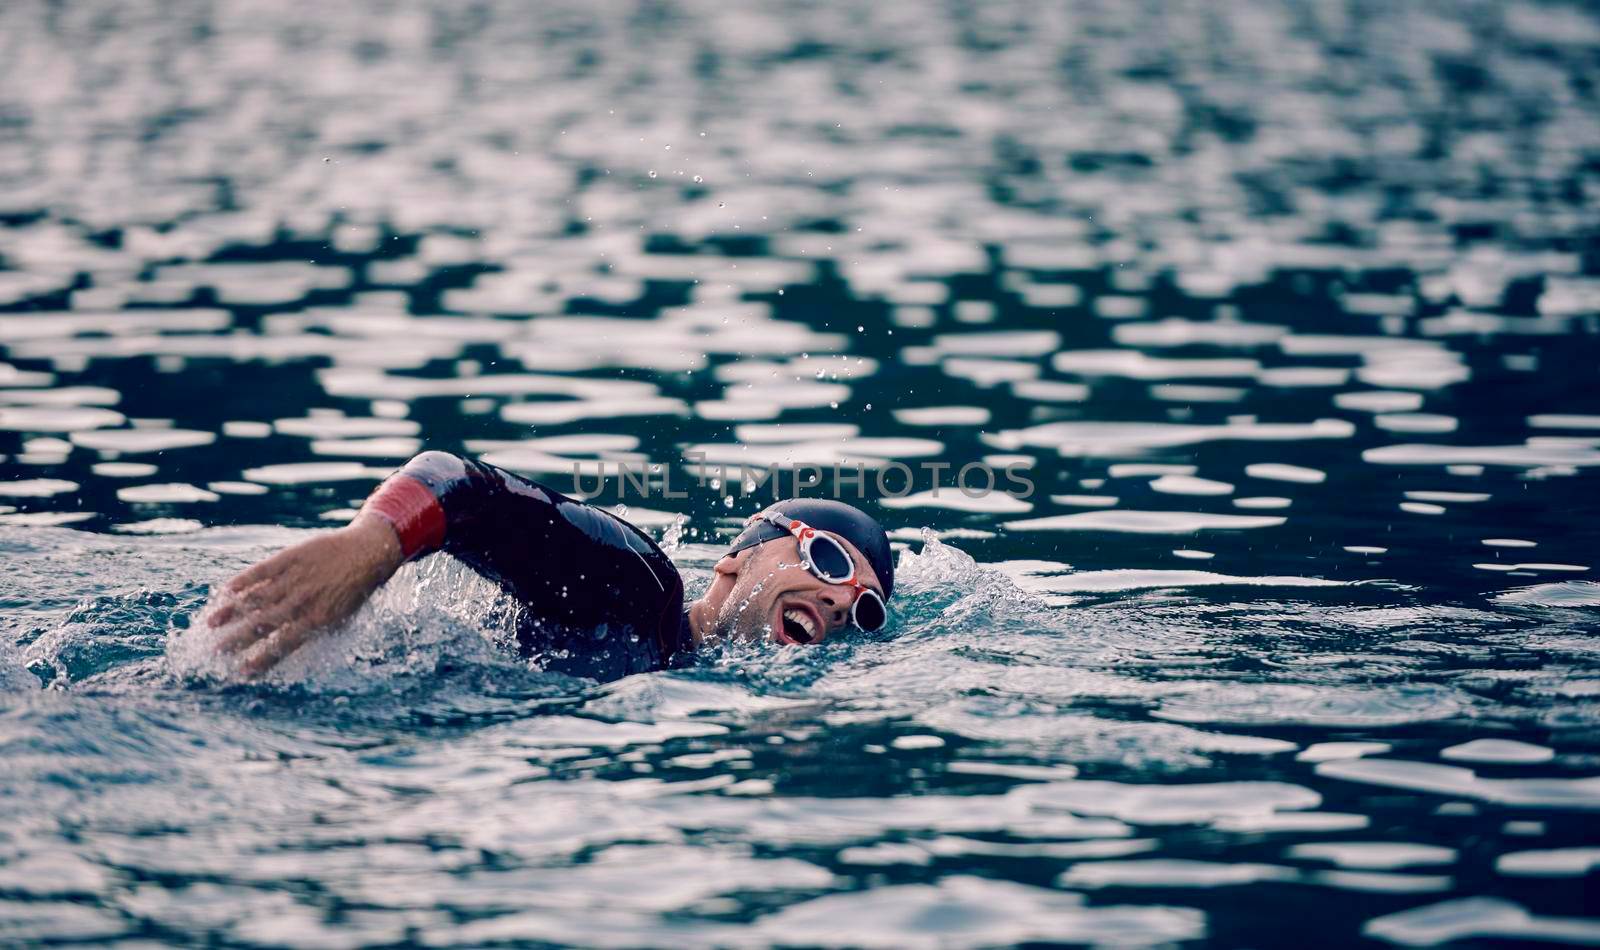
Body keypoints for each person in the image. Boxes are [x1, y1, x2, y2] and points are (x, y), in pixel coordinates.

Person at [202, 451, 894, 679]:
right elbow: (462, 482)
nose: (840, 603)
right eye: (828, 561)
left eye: (864, 609)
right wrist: (367, 546)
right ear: (734, 563)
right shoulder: (636, 586)